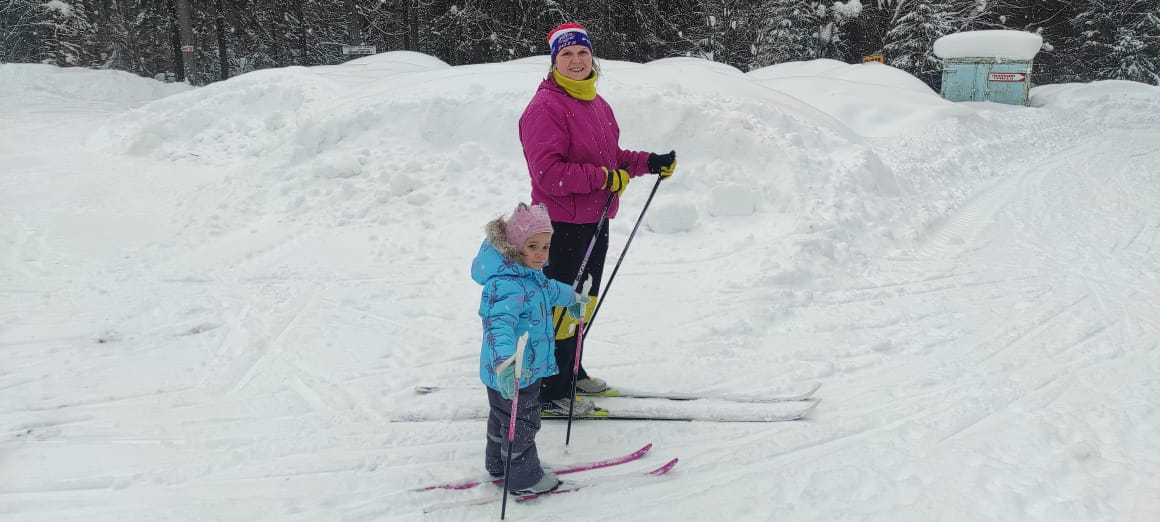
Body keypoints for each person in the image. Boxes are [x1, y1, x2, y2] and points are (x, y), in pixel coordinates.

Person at [518, 22, 678, 415]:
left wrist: (647, 163)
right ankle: (550, 391)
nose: (576, 61)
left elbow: (611, 159)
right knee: (560, 306)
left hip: (595, 220)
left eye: (582, 53)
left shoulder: (595, 103)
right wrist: (605, 178)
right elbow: (549, 173)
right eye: (567, 54)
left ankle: (571, 369)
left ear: (593, 58)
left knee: (580, 304)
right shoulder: (545, 107)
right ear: (554, 61)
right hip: (560, 226)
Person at [471, 202, 589, 495]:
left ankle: (499, 463)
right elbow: (497, 326)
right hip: (515, 369)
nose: (540, 254)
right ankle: (524, 479)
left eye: (546, 246)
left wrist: (572, 298)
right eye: (532, 245)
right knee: (522, 422)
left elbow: (550, 290)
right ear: (514, 246)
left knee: (502, 418)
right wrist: (507, 364)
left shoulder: (529, 276)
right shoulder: (508, 284)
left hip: (518, 369)